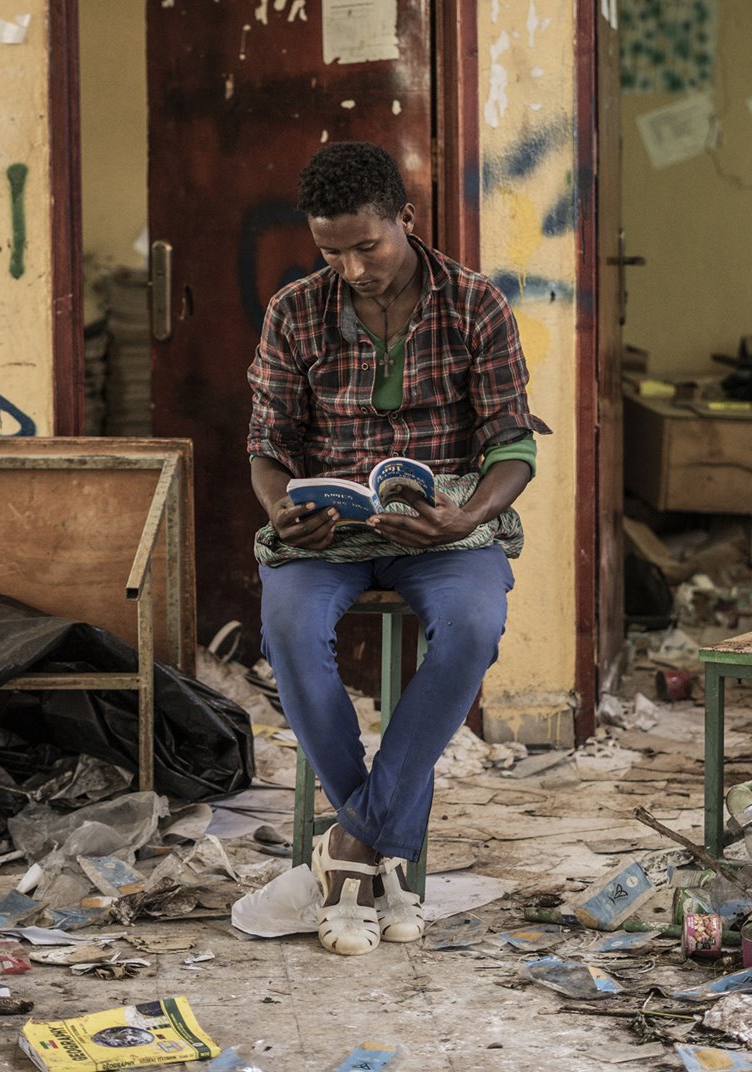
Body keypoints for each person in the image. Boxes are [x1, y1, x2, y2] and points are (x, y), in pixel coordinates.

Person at [246, 141, 549, 955]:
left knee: (474, 629)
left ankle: (348, 850)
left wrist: (463, 518)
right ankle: (379, 849)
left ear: (405, 222)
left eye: (366, 246)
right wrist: (283, 512)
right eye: (330, 250)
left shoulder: (475, 304)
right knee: (287, 632)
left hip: (441, 530)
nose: (350, 267)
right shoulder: (295, 311)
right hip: (328, 533)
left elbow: (512, 445)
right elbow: (267, 442)